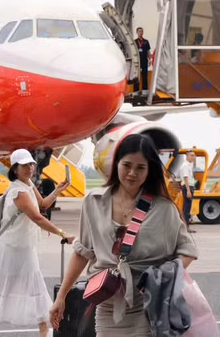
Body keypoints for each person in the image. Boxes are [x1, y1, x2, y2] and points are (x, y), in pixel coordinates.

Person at [49, 134, 198, 336]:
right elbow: (82, 252)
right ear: (116, 163)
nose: (132, 173)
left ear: (149, 170)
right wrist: (62, 296)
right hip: (107, 302)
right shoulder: (94, 202)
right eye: (126, 165)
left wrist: (161, 279)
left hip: (148, 305)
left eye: (140, 168)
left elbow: (187, 251)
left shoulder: (163, 209)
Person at [0, 149, 74, 337]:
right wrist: (62, 233)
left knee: (34, 286)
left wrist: (58, 190)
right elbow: (37, 217)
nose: (30, 167)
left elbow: (43, 204)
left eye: (31, 164)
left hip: (24, 247)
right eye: (25, 165)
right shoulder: (18, 190)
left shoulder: (27, 185)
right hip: (9, 248)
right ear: (15, 169)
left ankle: (43, 330)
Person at [179, 150, 197, 232]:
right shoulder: (185, 165)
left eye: (194, 155)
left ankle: (185, 227)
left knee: (187, 207)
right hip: (187, 187)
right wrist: (188, 190)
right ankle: (185, 227)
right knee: (186, 207)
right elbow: (185, 178)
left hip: (189, 186)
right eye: (192, 155)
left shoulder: (188, 165)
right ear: (187, 156)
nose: (193, 157)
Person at [133, 27, 151, 93]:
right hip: (137, 62)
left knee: (145, 75)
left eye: (142, 31)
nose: (141, 32)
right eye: (139, 31)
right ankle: (136, 91)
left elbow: (148, 51)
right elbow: (133, 51)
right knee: (136, 76)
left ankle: (145, 90)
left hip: (144, 61)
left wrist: (150, 60)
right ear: (137, 32)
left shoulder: (146, 41)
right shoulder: (134, 42)